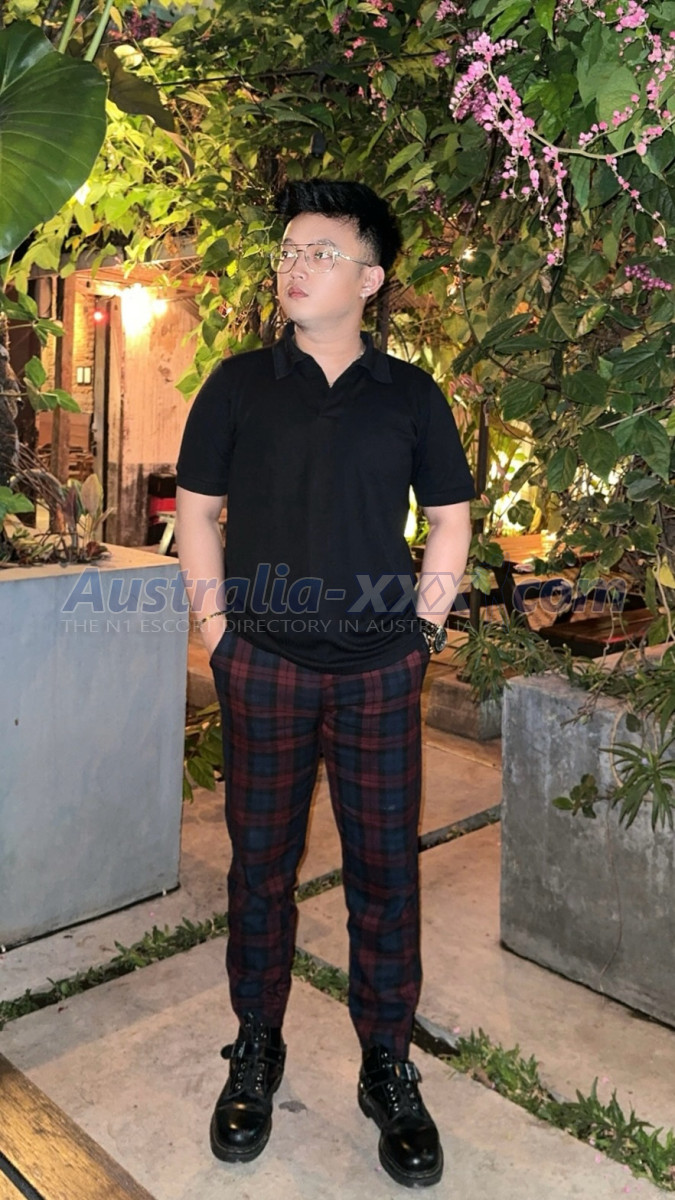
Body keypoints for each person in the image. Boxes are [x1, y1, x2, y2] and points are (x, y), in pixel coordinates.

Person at [175, 179, 474, 1189]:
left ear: (370, 280)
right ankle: (255, 1045)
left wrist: (422, 632)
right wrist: (219, 634)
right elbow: (198, 511)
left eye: (320, 252)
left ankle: (386, 1063)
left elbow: (449, 520)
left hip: (380, 672)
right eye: (288, 251)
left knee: (384, 876)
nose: (295, 266)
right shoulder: (239, 386)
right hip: (263, 664)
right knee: (260, 869)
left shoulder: (410, 397)